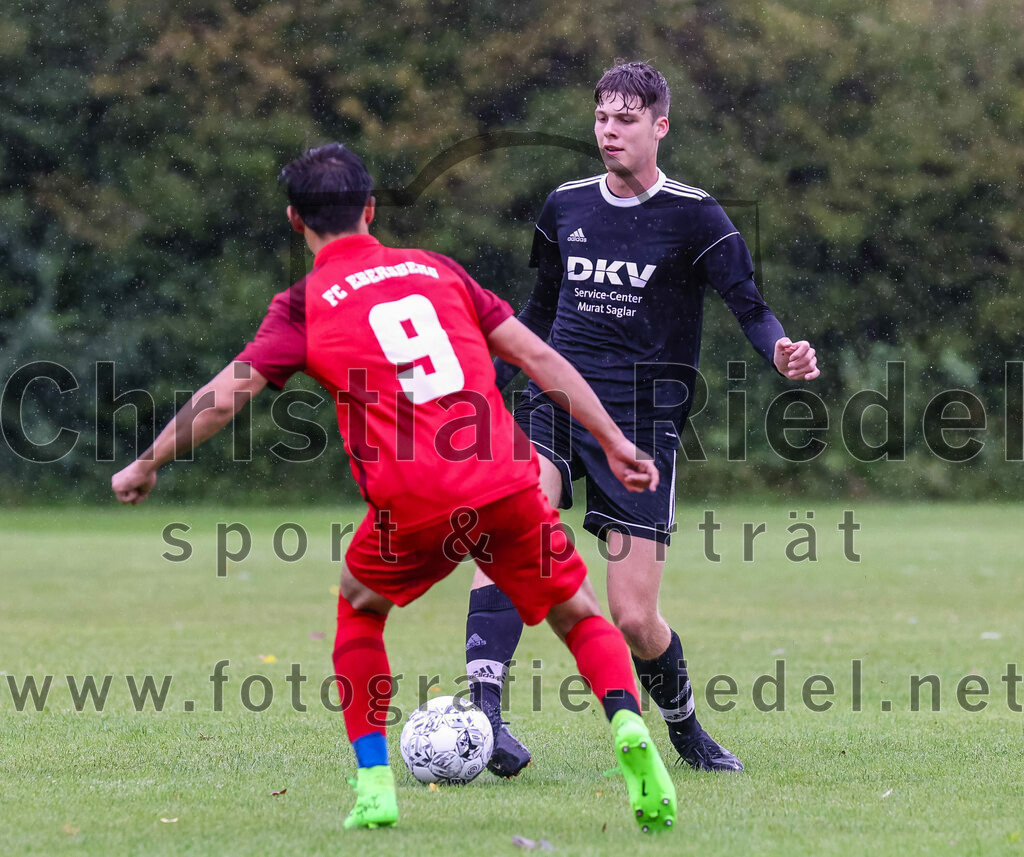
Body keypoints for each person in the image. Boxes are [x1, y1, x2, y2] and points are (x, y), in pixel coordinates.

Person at [111, 143, 678, 833]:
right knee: (580, 613)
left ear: (297, 220)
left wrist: (148, 461)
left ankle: (375, 782)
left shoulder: (302, 305)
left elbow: (226, 398)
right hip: (505, 479)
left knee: (358, 607)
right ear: (370, 209)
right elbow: (538, 355)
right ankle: (627, 723)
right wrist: (616, 440)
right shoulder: (437, 269)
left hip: (413, 503)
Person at [466, 61, 821, 777]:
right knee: (514, 515)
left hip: (641, 423)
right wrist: (485, 383)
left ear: (660, 125)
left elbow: (749, 308)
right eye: (602, 117)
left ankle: (684, 723)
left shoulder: (696, 216)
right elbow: (536, 312)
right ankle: (484, 713)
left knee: (633, 616)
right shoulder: (565, 205)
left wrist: (779, 350)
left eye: (626, 119)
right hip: (554, 400)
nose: (609, 131)